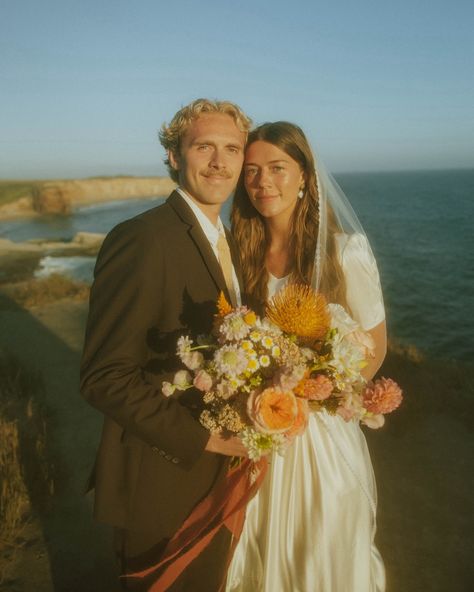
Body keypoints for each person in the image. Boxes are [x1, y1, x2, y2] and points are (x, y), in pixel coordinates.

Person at [80, 98, 252, 592]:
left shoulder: (233, 240)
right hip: (162, 476)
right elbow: (103, 377)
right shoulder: (141, 239)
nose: (219, 162)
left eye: (232, 149)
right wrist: (206, 439)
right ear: (175, 156)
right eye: (204, 147)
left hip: (223, 473)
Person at [226, 122, 387, 591]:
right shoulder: (243, 251)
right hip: (258, 432)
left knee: (322, 552)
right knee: (257, 551)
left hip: (320, 441)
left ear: (305, 178)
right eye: (251, 171)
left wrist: (320, 391)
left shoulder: (344, 251)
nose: (262, 182)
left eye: (277, 168)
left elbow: (374, 347)